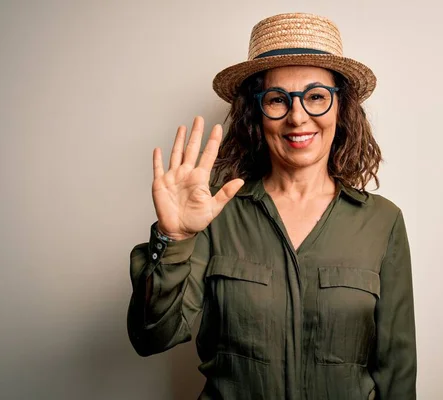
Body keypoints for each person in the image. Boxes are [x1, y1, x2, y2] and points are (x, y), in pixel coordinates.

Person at [127, 12, 416, 400]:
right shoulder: (214, 213)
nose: (298, 117)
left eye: (316, 97)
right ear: (256, 114)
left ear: (340, 109)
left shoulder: (383, 222)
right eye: (278, 99)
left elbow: (397, 372)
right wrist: (173, 237)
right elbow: (152, 337)